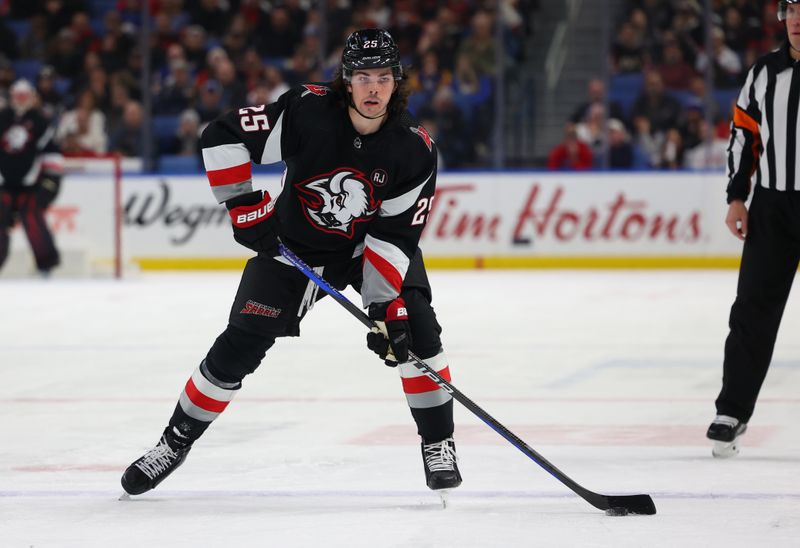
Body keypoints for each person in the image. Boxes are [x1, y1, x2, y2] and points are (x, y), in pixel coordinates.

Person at [121, 29, 461, 496]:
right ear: (346, 80)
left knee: (417, 329)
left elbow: (395, 235)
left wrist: (387, 309)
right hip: (294, 246)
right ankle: (174, 442)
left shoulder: (413, 149)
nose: (373, 88)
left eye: (383, 77)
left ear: (397, 82)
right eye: (362, 77)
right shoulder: (308, 111)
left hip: (367, 249)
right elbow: (222, 135)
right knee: (238, 348)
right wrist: (242, 205)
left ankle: (438, 442)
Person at [707, 0, 800, 458]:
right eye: (793, 9)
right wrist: (737, 196)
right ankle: (732, 411)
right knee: (752, 313)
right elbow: (744, 133)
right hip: (774, 209)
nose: (799, 18)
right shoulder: (764, 73)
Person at [0, 79, 63, 276]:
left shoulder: (41, 122)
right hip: (4, 185)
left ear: (32, 97)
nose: (20, 100)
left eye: (24, 96)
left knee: (32, 216)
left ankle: (46, 265)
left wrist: (50, 182)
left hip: (31, 187)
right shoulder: (2, 119)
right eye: (17, 96)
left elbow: (52, 154)